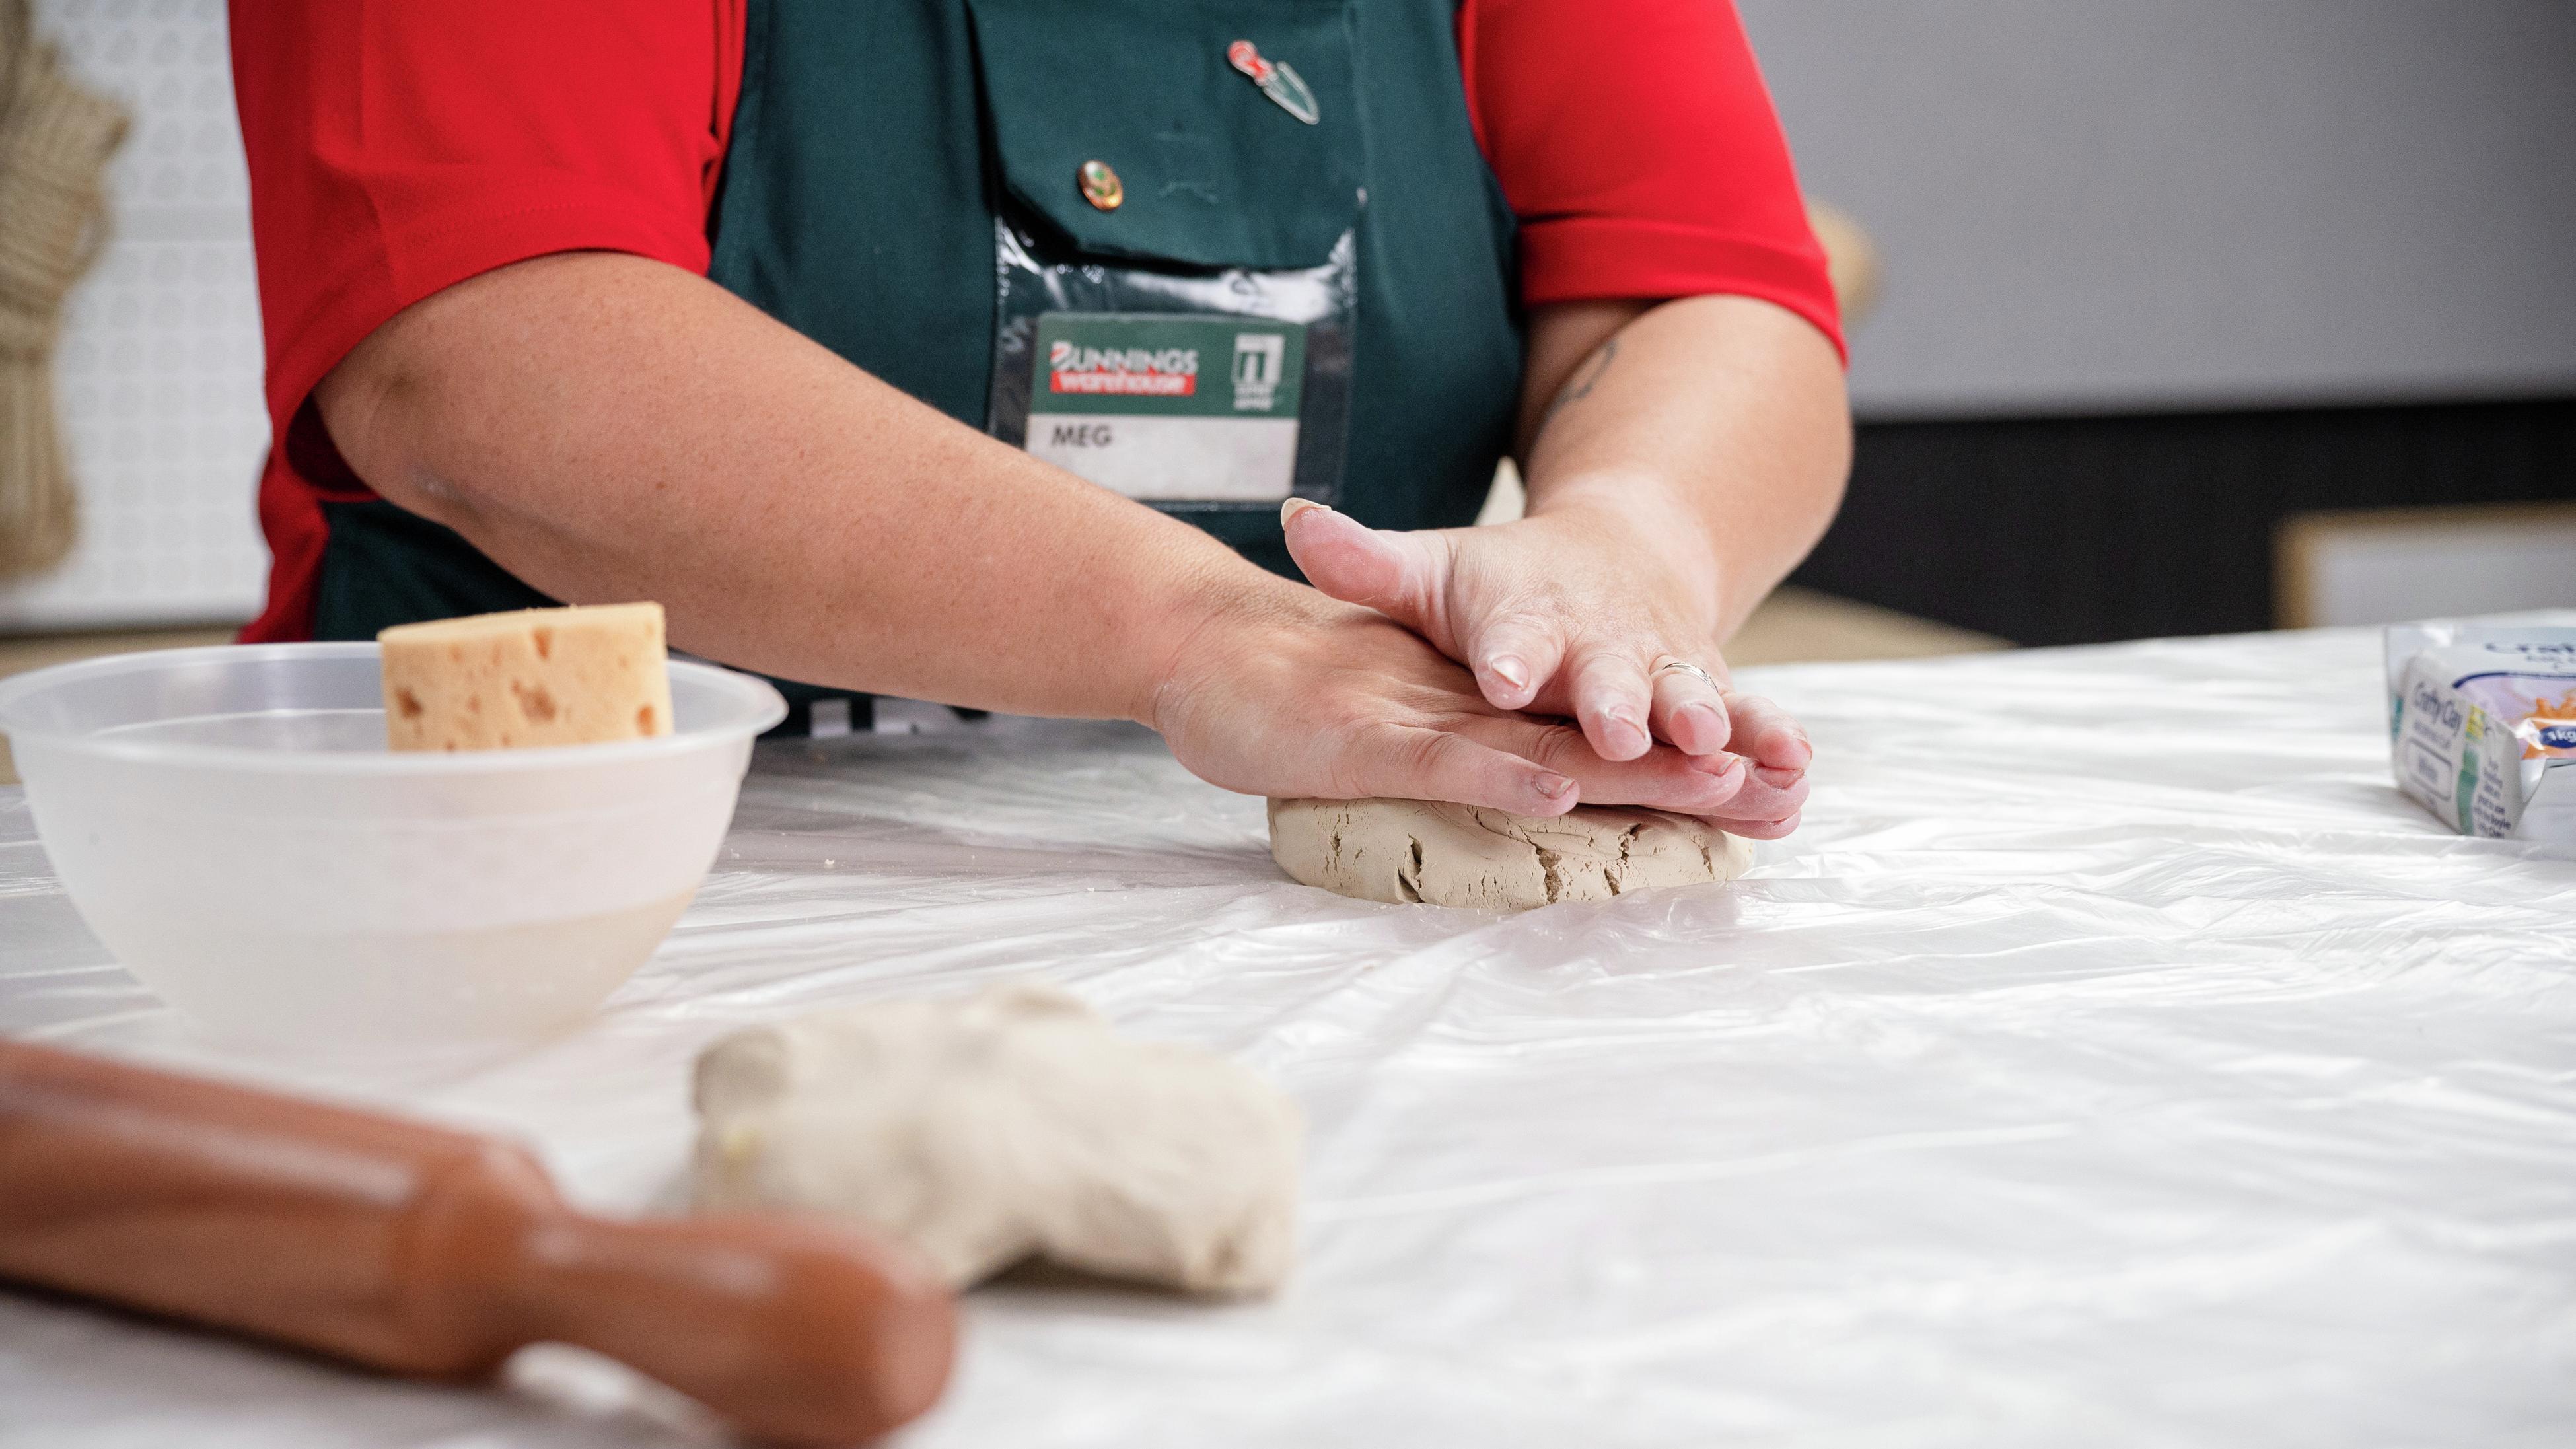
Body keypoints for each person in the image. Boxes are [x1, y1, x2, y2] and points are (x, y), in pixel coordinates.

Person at [226, 0, 1849, 840]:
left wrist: (1625, 540)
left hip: (1272, 891)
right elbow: (490, 356)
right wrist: (1212, 641)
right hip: (558, 888)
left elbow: (1693, 291)